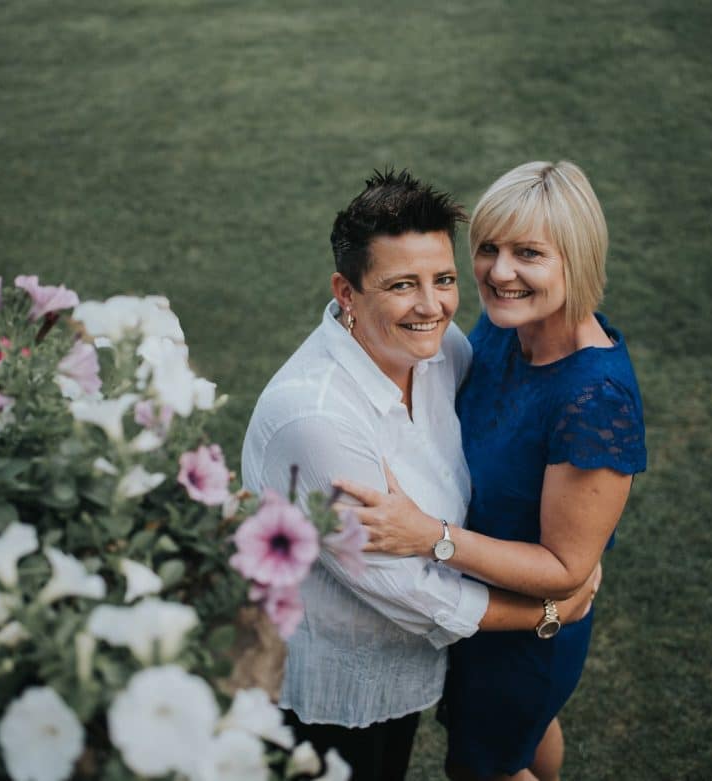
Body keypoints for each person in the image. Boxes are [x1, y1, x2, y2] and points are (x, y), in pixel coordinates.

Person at [241, 169, 597, 780]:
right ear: (347, 292)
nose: (432, 306)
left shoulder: (441, 351)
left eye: (444, 280)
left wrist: (575, 537)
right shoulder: (317, 420)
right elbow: (406, 593)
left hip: (397, 674)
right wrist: (548, 610)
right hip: (322, 692)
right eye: (402, 285)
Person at [335, 161, 647, 780]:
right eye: (488, 249)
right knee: (519, 745)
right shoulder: (510, 328)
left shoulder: (594, 399)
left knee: (483, 769)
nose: (499, 272)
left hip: (525, 635)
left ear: (577, 259)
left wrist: (429, 537)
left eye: (528, 253)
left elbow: (567, 572)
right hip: (478, 601)